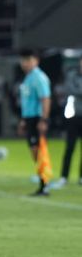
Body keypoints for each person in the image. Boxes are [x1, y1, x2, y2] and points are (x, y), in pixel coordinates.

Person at [17, 49, 52, 196]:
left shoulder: (38, 77)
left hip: (37, 118)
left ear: (36, 61)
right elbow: (27, 102)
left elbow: (45, 99)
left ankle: (45, 184)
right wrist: (24, 121)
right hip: (30, 118)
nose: (25, 63)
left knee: (39, 150)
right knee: (34, 150)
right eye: (23, 60)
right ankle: (42, 180)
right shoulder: (28, 78)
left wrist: (44, 119)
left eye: (29, 60)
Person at [51, 58, 82, 187]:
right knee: (70, 147)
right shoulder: (72, 76)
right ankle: (64, 176)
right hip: (74, 116)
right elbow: (71, 90)